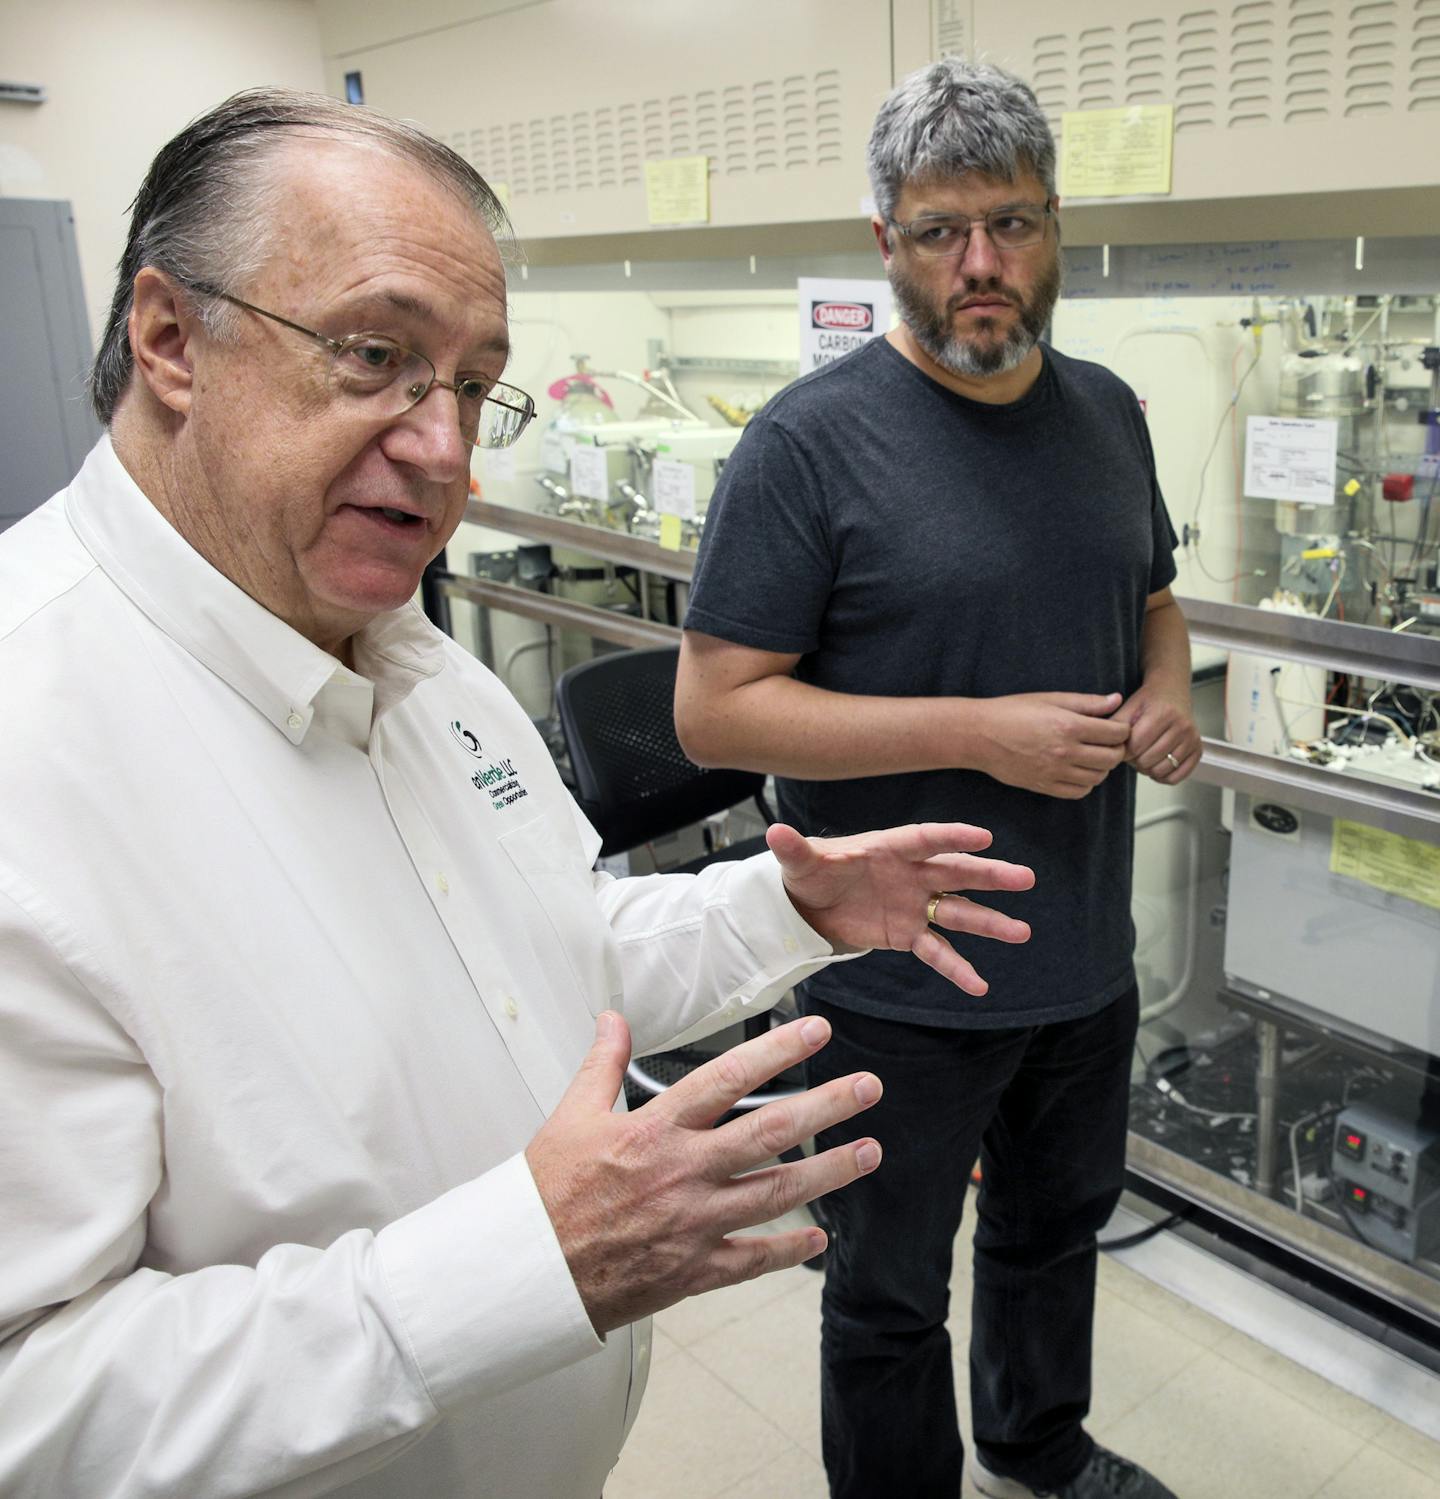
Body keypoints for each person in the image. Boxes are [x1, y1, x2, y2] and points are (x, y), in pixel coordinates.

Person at [0, 89, 1040, 1499]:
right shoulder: (34, 747)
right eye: (376, 356)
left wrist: (788, 904)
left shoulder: (418, 667)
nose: (446, 452)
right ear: (173, 339)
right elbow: (29, 1408)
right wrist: (526, 1265)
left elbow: (558, 956)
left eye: (475, 387)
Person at [675, 59, 1200, 1499]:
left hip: (1082, 960)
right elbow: (717, 711)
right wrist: (978, 732)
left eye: (1016, 225)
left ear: (1055, 229)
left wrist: (1164, 689)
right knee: (891, 1296)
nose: (985, 265)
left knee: (1051, 1236)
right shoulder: (808, 445)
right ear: (887, 241)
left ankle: (1041, 1445)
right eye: (943, 229)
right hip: (898, 980)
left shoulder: (1108, 411)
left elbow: (1153, 594)